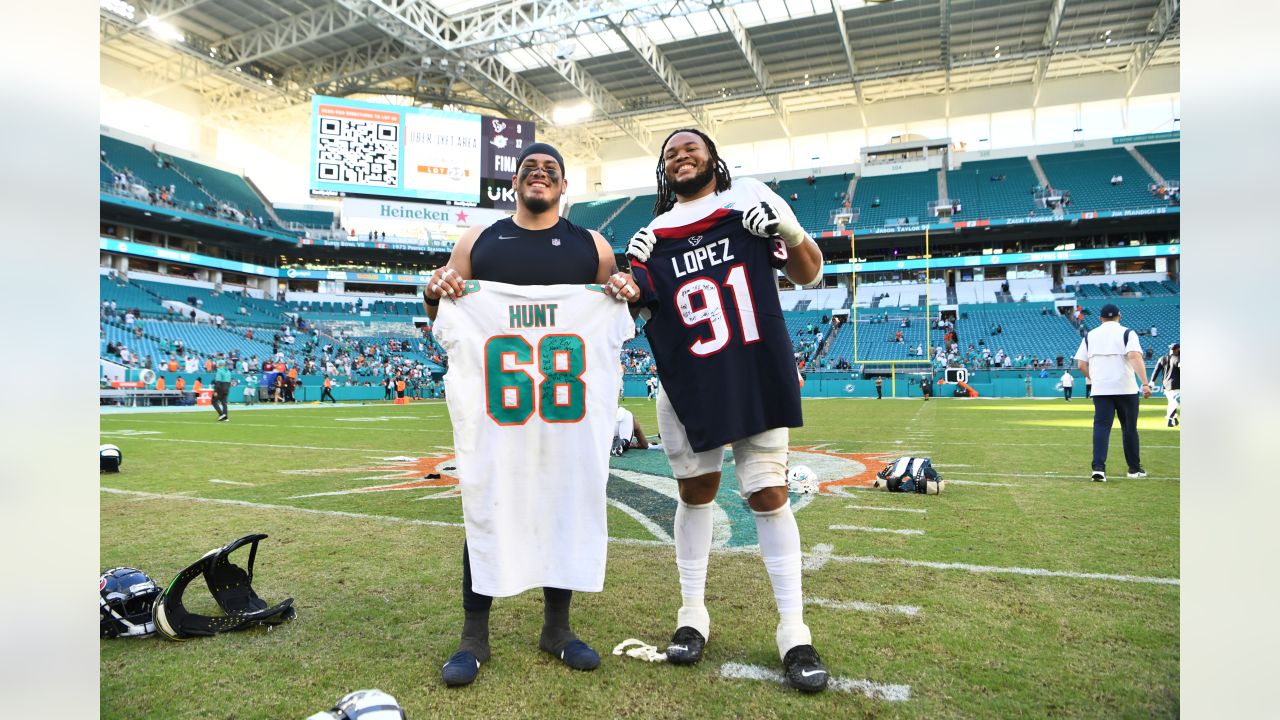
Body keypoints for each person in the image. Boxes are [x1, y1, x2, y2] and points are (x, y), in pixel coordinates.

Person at [421, 142, 639, 687]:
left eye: (550, 171)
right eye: (529, 169)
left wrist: (622, 289)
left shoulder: (593, 246)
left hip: (567, 414)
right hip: (503, 413)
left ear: (564, 187)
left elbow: (619, 310)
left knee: (565, 504)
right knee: (487, 505)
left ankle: (557, 631)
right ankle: (474, 637)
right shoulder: (477, 240)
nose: (539, 175)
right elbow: (443, 316)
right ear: (514, 184)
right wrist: (436, 291)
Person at [624, 128, 829, 692]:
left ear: (713, 156)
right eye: (670, 153)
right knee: (695, 494)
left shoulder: (750, 202)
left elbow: (810, 271)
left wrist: (786, 229)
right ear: (664, 171)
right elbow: (632, 308)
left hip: (753, 370)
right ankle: (693, 615)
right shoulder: (652, 234)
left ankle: (794, 629)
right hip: (690, 381)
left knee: (768, 494)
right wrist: (628, 277)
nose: (681, 156)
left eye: (690, 148)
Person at [1074, 303, 1152, 482]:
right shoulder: (1127, 333)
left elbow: (1081, 364)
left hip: (1101, 390)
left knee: (1101, 427)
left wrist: (1094, 380)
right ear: (1119, 316)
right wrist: (1145, 383)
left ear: (1100, 318)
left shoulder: (1090, 335)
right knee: (1129, 429)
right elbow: (1134, 356)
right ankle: (1134, 469)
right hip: (1125, 388)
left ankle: (1098, 468)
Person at [1150, 343, 1180, 427]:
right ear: (1178, 349)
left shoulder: (1162, 358)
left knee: (1172, 402)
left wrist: (1152, 381)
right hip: (1177, 385)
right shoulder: (1179, 359)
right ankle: (1169, 419)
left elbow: (1156, 371)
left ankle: (1174, 419)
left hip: (1166, 385)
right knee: (1174, 402)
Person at [212, 357, 231, 421]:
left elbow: (218, 382)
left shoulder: (219, 371)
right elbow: (229, 382)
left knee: (213, 401)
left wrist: (215, 391)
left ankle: (221, 414)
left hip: (221, 387)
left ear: (219, 364)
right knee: (224, 403)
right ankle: (226, 417)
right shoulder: (228, 371)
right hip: (227, 388)